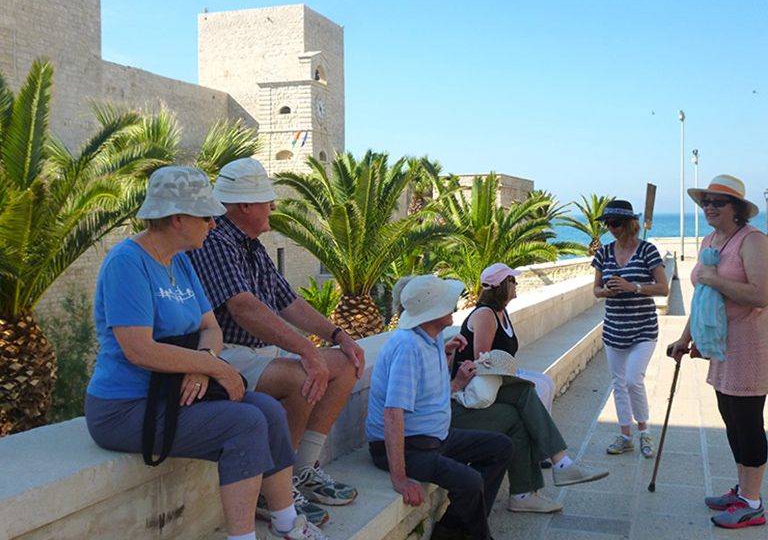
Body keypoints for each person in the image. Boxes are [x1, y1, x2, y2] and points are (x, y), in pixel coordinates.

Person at [85, 167, 330, 540]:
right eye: (207, 216)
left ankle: (286, 522)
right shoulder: (126, 263)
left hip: (174, 391)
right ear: (177, 218)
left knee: (269, 411)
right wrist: (210, 367)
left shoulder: (180, 260)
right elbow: (138, 349)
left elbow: (211, 328)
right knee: (244, 424)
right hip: (127, 406)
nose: (214, 225)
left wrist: (206, 367)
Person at [187, 157, 365, 526]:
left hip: (258, 352)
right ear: (244, 206)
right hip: (227, 353)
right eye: (267, 200)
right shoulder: (216, 241)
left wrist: (338, 336)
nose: (273, 206)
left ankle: (300, 470)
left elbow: (288, 301)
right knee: (302, 378)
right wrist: (306, 350)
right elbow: (244, 309)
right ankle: (275, 492)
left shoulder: (251, 244)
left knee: (347, 364)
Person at [450, 263, 610, 513]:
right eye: (513, 281)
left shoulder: (501, 312)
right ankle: (556, 467)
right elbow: (483, 362)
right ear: (503, 286)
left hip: (491, 383)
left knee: (538, 387)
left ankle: (534, 485)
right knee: (526, 391)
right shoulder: (484, 315)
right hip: (471, 390)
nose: (517, 285)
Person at [366, 275, 514, 540]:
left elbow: (431, 393)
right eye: (446, 303)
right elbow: (392, 414)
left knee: (501, 447)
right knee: (470, 481)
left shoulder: (431, 339)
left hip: (433, 438)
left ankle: (451, 528)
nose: (453, 307)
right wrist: (400, 479)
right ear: (431, 312)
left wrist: (453, 371)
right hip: (410, 446)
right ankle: (477, 535)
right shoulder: (408, 349)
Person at [669, 174, 768, 529]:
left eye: (717, 202)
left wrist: (715, 279)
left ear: (737, 209)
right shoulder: (710, 239)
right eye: (705, 201)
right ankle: (743, 491)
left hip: (750, 345)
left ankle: (753, 504)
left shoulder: (754, 241)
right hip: (721, 344)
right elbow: (703, 297)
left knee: (748, 422)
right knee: (731, 419)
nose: (708, 207)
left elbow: (761, 295)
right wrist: (685, 336)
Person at [591, 199, 668, 458]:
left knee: (634, 380)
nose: (611, 228)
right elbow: (596, 290)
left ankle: (644, 432)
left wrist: (633, 287)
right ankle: (626, 436)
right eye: (607, 224)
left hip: (643, 327)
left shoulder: (647, 251)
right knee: (618, 383)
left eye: (616, 223)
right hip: (614, 328)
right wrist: (607, 292)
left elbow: (663, 287)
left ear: (629, 224)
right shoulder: (603, 253)